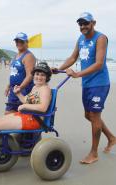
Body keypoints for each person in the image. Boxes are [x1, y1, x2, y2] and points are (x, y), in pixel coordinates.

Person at [53, 12, 116, 164]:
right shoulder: (81, 39)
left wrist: (78, 74)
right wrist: (59, 69)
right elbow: (73, 58)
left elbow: (99, 63)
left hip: (99, 83)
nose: (83, 27)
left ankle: (93, 153)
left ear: (93, 23)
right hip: (87, 83)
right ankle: (112, 138)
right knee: (88, 115)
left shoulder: (100, 38)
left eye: (86, 23)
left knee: (94, 116)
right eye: (80, 24)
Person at [5, 32, 36, 114]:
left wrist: (20, 88)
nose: (19, 43)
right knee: (8, 113)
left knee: (21, 114)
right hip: (13, 90)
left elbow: (30, 75)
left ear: (27, 42)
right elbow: (13, 72)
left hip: (24, 90)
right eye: (17, 41)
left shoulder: (28, 56)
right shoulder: (16, 56)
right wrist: (8, 86)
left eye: (21, 41)